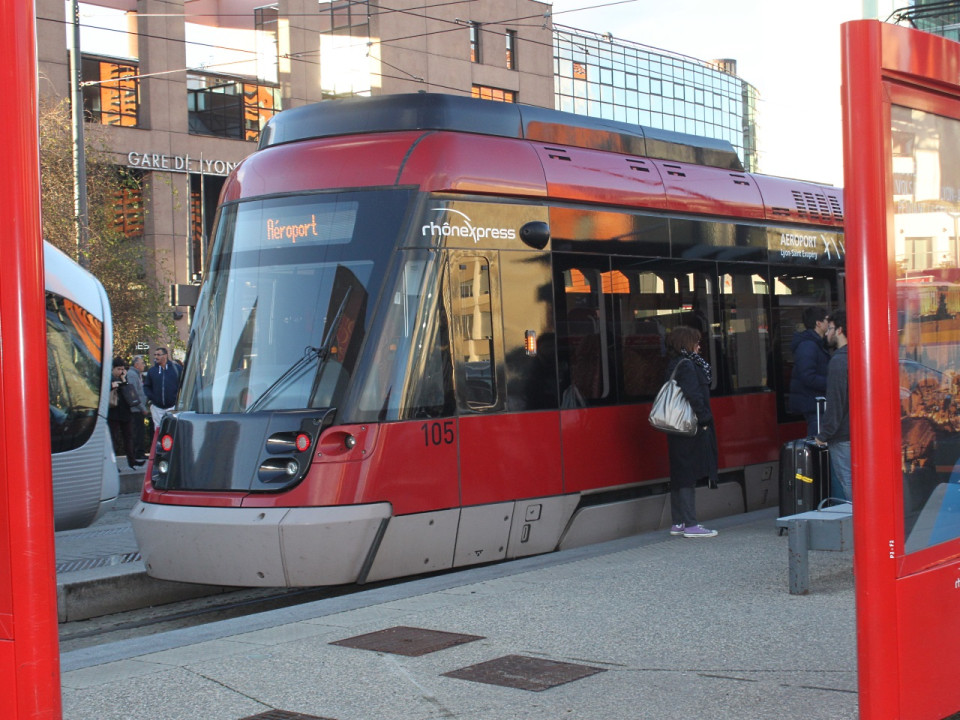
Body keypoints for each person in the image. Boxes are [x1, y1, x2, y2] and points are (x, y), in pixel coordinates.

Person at [664, 325, 720, 538]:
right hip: (688, 425)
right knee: (687, 472)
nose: (699, 346)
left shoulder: (674, 364)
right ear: (687, 343)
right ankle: (690, 524)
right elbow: (694, 394)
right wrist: (705, 417)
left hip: (676, 426)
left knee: (679, 472)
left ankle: (677, 522)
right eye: (696, 342)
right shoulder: (687, 366)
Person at [816, 311, 851, 501]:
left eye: (829, 328)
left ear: (839, 330)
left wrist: (824, 434)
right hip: (859, 434)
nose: (826, 333)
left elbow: (836, 401)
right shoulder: (860, 356)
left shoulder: (838, 361)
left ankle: (857, 526)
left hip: (844, 436)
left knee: (849, 483)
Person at [788, 307, 831, 436]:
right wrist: (831, 383)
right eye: (827, 320)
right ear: (818, 323)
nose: (830, 324)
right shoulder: (808, 345)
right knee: (817, 440)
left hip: (814, 402)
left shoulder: (815, 343)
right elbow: (807, 376)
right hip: (813, 403)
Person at [107, 357, 144, 471]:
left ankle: (132, 460)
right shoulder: (109, 379)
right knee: (114, 439)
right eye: (118, 369)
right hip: (113, 413)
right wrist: (117, 384)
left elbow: (128, 390)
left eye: (122, 369)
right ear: (112, 369)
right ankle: (112, 464)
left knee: (128, 437)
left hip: (125, 412)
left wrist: (123, 379)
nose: (120, 372)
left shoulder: (124, 378)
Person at [143, 347, 181, 428]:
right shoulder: (152, 371)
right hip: (157, 408)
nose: (156, 357)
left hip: (173, 407)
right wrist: (152, 398)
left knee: (173, 429)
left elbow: (183, 384)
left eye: (158, 355)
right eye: (155, 355)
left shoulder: (176, 369)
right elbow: (146, 386)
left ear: (165, 356)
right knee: (158, 430)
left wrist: (177, 399)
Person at [126, 354, 150, 459]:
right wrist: (142, 408)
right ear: (136, 365)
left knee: (140, 431)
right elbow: (134, 393)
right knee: (138, 431)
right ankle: (137, 453)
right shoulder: (132, 375)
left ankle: (139, 451)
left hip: (139, 409)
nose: (144, 365)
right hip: (136, 410)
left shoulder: (137, 374)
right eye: (142, 363)